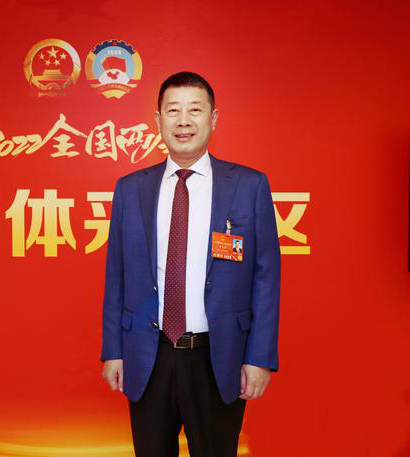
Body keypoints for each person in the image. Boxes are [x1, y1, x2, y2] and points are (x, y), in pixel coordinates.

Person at [100, 71, 280, 457]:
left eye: (195, 110)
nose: (184, 121)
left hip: (219, 355)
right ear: (158, 120)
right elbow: (117, 275)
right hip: (149, 354)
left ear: (213, 118)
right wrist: (113, 350)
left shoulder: (248, 186)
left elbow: (265, 278)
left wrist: (259, 357)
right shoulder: (130, 189)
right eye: (173, 111)